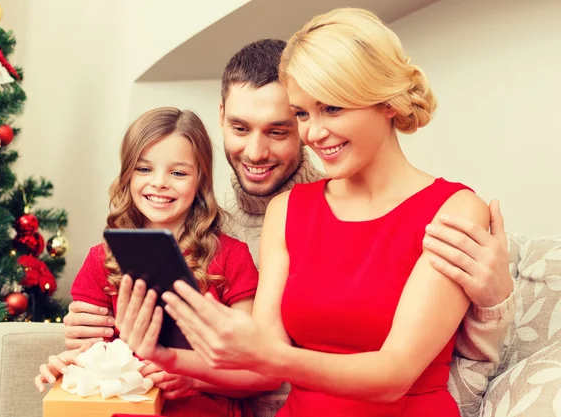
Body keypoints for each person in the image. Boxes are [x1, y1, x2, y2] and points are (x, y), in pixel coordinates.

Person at [62, 37, 515, 416]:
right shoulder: (270, 211)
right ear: (221, 115)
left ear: (388, 102)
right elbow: (258, 360)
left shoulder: (453, 209)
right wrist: (142, 354)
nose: (315, 133)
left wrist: (495, 302)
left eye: (329, 109)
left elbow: (394, 373)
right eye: (304, 114)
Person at [35, 107, 262, 417]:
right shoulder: (101, 260)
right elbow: (92, 358)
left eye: (178, 173)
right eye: (144, 169)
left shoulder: (230, 256)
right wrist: (69, 366)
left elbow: (256, 372)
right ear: (127, 173)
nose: (159, 183)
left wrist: (193, 375)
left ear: (200, 180)